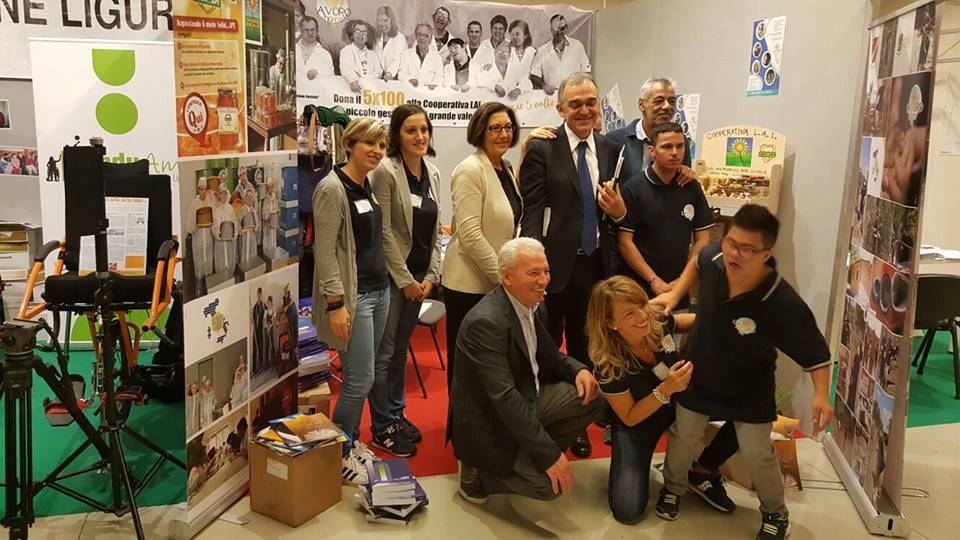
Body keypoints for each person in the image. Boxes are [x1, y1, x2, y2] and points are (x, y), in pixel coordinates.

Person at [654, 205, 835, 540]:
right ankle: (674, 488)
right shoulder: (714, 259)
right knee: (682, 435)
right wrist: (675, 294)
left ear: (766, 254)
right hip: (699, 372)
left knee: (758, 451)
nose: (734, 253)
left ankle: (775, 513)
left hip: (750, 385)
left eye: (747, 249)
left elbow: (816, 352)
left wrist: (822, 395)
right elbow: (697, 261)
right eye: (731, 243)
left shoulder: (781, 301)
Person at [519, 72, 626, 458]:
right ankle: (547, 418)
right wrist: (535, 265)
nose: (584, 110)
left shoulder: (612, 149)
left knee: (586, 346)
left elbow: (618, 212)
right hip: (552, 267)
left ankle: (576, 421)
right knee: (546, 345)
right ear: (560, 108)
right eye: (575, 104)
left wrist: (620, 211)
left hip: (595, 266)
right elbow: (532, 210)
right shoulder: (542, 148)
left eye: (590, 103)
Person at [449, 238, 604, 503]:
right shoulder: (486, 322)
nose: (544, 280)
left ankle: (525, 451)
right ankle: (478, 473)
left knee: (594, 398)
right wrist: (549, 456)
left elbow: (550, 356)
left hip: (528, 395)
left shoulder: (534, 305)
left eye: (546, 271)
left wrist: (578, 370)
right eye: (533, 273)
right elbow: (504, 398)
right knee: (550, 488)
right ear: (507, 277)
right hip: (490, 420)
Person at [586, 276, 740, 523]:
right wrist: (666, 389)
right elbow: (630, 416)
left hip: (682, 402)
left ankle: (703, 470)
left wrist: (720, 320)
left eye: (642, 304)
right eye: (629, 313)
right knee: (628, 510)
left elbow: (682, 322)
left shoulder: (655, 319)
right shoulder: (607, 363)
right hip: (639, 421)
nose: (642, 316)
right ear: (610, 323)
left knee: (751, 409)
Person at [312, 118, 390, 485]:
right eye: (369, 143)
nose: (377, 151)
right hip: (354, 298)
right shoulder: (332, 188)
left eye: (381, 145)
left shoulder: (366, 184)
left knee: (364, 375)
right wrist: (335, 304)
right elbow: (325, 252)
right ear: (349, 145)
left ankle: (351, 440)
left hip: (378, 291)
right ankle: (339, 454)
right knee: (360, 379)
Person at [369, 104, 443, 457]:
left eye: (424, 130)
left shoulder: (433, 173)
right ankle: (382, 426)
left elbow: (437, 231)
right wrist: (404, 280)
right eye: (411, 130)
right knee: (383, 355)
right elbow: (383, 233)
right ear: (397, 135)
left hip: (420, 279)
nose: (419, 136)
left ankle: (397, 415)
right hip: (392, 280)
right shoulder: (385, 171)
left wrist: (431, 277)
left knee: (400, 352)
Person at [441, 102, 522, 395]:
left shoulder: (505, 168)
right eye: (495, 128)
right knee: (467, 367)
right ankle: (461, 420)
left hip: (496, 283)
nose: (503, 134)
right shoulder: (470, 169)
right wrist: (503, 277)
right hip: (469, 285)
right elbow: (470, 234)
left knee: (492, 366)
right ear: (480, 131)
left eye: (508, 127)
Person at [618, 122, 713, 310]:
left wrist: (683, 279)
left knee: (676, 327)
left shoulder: (692, 187)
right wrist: (653, 279)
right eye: (667, 147)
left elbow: (703, 240)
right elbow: (625, 243)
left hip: (679, 288)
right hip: (640, 287)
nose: (675, 152)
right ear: (652, 151)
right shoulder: (633, 188)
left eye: (680, 146)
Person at [606, 77, 696, 186]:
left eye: (671, 101)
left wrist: (687, 173)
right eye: (659, 101)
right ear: (641, 105)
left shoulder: (680, 142)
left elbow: (683, 185)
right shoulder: (615, 140)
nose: (667, 106)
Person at [531, 15, 591, 96]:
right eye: (557, 29)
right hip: (552, 97)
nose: (560, 32)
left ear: (566, 27)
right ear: (551, 30)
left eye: (563, 28)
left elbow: (586, 71)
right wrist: (544, 85)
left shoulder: (577, 46)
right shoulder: (543, 50)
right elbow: (534, 74)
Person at [186, 177, 215, 292]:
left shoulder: (210, 202)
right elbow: (189, 226)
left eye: (205, 189)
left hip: (208, 238)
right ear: (198, 190)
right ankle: (199, 284)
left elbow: (214, 219)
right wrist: (197, 223)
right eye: (201, 189)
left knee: (208, 260)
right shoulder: (194, 204)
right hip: (198, 239)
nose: (203, 192)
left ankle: (209, 284)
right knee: (199, 262)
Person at [340, 20, 383, 93]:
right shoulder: (346, 51)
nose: (360, 35)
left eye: (364, 32)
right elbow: (346, 69)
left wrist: (364, 78)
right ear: (352, 36)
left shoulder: (372, 54)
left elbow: (378, 72)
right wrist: (353, 80)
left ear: (367, 38)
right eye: (357, 31)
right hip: (352, 92)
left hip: (370, 91)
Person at [398, 23, 445, 88]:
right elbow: (401, 75)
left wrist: (434, 85)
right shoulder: (406, 54)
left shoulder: (437, 58)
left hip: (428, 93)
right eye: (419, 34)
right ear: (415, 36)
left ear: (431, 38)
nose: (422, 38)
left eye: (426, 35)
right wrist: (409, 80)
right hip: (409, 91)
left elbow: (439, 78)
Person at [296, 16, 334, 93]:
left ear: (317, 31)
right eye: (306, 30)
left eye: (312, 30)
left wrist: (318, 75)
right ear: (301, 31)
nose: (310, 33)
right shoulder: (293, 51)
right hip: (296, 96)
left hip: (317, 96)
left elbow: (331, 80)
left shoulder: (325, 54)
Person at [503, 19, 536, 99]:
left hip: (527, 95)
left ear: (525, 35)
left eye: (517, 34)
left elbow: (532, 78)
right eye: (512, 35)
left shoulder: (532, 53)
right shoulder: (506, 51)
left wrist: (519, 89)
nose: (515, 37)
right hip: (507, 94)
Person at [212, 183, 238, 276]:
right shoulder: (216, 210)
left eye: (225, 193)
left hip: (230, 242)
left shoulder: (230, 208)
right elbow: (214, 225)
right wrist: (217, 233)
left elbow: (235, 222)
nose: (224, 196)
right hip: (220, 243)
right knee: (221, 265)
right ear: (219, 195)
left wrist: (235, 233)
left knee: (230, 264)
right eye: (222, 193)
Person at [373, 5, 406, 81]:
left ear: (391, 21)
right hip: (377, 78)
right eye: (380, 20)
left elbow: (397, 60)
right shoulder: (376, 37)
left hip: (393, 79)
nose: (382, 24)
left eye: (385, 20)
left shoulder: (400, 39)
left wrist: (389, 73)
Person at [237, 189, 261, 266]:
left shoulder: (253, 209)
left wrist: (256, 227)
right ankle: (245, 269)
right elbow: (238, 222)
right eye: (248, 196)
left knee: (252, 252)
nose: (249, 198)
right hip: (245, 236)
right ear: (245, 197)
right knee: (245, 253)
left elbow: (257, 222)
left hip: (252, 235)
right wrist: (240, 230)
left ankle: (253, 268)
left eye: (251, 196)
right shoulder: (242, 209)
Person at [261, 179, 280, 259]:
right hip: (267, 226)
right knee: (267, 242)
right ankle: (267, 258)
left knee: (273, 242)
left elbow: (277, 210)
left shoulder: (275, 198)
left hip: (273, 225)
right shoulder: (265, 199)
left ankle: (273, 258)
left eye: (272, 187)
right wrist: (269, 214)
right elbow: (264, 214)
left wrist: (274, 212)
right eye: (269, 187)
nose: (271, 189)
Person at [251, 287, 267, 374]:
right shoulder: (254, 307)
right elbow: (252, 319)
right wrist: (251, 321)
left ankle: (261, 366)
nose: (259, 295)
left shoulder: (263, 306)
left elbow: (267, 316)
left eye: (260, 294)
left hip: (261, 331)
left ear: (262, 295)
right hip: (255, 331)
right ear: (257, 295)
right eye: (258, 294)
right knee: (254, 349)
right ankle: (254, 369)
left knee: (261, 348)